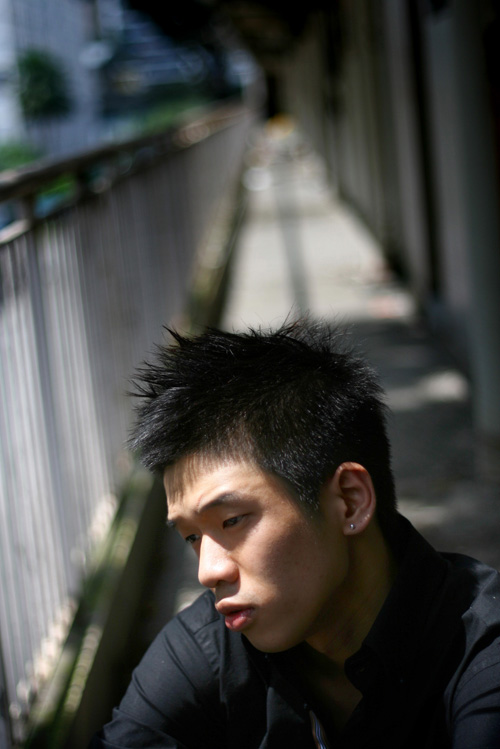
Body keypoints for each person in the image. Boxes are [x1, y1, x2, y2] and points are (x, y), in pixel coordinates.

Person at [91, 320, 500, 748]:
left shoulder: (481, 654)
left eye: (232, 521)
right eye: (192, 537)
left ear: (350, 501)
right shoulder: (208, 646)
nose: (207, 572)